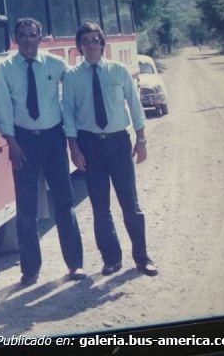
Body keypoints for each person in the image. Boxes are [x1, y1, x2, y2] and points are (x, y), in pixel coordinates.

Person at [62, 21, 158, 277]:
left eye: (95, 40)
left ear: (103, 43)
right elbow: (68, 115)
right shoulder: (71, 77)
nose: (91, 45)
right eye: (86, 42)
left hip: (118, 142)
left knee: (131, 204)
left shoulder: (119, 71)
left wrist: (141, 140)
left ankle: (142, 258)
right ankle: (111, 259)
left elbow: (135, 106)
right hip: (89, 145)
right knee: (100, 206)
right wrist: (74, 148)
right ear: (79, 48)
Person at [0, 17, 85, 286]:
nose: (27, 40)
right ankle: (30, 270)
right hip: (23, 142)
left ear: (40, 37)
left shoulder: (56, 65)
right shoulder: (5, 69)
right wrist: (12, 145)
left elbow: (75, 87)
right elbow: (4, 109)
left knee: (64, 202)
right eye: (22, 35)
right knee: (26, 208)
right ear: (15, 38)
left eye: (32, 35)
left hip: (53, 139)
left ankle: (75, 264)